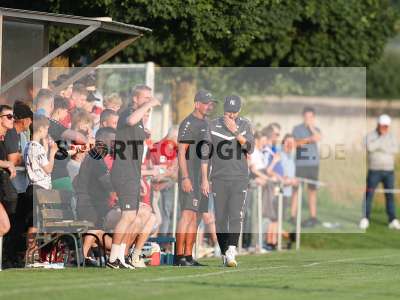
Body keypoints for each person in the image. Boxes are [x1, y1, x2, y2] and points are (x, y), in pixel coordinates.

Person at [107, 84, 160, 269]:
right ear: (135, 99)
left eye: (150, 97)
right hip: (123, 172)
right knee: (128, 216)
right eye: (145, 98)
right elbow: (129, 121)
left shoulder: (139, 119)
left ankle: (120, 257)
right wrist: (148, 105)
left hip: (131, 173)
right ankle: (113, 258)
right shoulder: (127, 113)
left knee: (132, 216)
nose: (149, 101)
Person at [202, 95, 255, 267]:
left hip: (239, 177)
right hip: (218, 177)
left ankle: (232, 250)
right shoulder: (212, 125)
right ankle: (224, 251)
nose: (231, 115)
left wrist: (235, 131)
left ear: (239, 111)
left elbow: (250, 148)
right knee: (220, 218)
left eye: (234, 112)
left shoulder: (245, 124)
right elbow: (205, 155)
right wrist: (204, 179)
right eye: (228, 111)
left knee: (235, 215)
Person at [175, 90, 216, 267]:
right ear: (196, 103)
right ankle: (179, 256)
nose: (209, 106)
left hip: (203, 178)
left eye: (211, 103)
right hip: (190, 174)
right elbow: (181, 153)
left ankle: (189, 256)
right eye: (206, 102)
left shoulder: (207, 123)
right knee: (187, 215)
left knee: (198, 216)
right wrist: (185, 177)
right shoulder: (188, 123)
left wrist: (208, 178)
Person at [74, 127, 117, 266]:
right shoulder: (95, 157)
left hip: (91, 203)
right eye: (112, 141)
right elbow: (107, 182)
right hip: (89, 204)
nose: (114, 144)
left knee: (103, 227)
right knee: (102, 223)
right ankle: (82, 256)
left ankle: (118, 252)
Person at [24, 114, 59, 257]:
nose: (47, 132)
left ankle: (33, 253)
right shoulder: (36, 147)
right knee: (36, 224)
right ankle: (32, 253)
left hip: (33, 187)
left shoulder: (28, 145)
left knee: (35, 223)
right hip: (40, 189)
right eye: (46, 128)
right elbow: (48, 168)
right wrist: (53, 153)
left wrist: (46, 145)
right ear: (41, 128)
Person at [360, 114, 400, 230]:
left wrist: (379, 146)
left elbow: (395, 149)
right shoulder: (371, 136)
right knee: (369, 195)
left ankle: (392, 219)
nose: (385, 129)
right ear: (378, 125)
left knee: (390, 196)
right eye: (383, 126)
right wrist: (381, 140)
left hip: (389, 171)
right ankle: (365, 218)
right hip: (374, 170)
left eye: (386, 127)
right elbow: (369, 147)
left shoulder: (392, 137)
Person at [292, 106, 322, 228]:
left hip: (313, 165)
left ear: (314, 117)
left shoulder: (316, 129)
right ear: (303, 117)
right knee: (296, 190)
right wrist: (308, 139)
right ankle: (293, 216)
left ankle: (313, 216)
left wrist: (311, 128)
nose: (308, 119)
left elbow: (319, 137)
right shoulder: (297, 129)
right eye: (306, 117)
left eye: (310, 117)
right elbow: (295, 143)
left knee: (312, 191)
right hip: (301, 164)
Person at [0, 105, 17, 249]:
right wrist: (6, 163)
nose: (13, 119)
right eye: (9, 116)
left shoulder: (2, 139)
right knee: (4, 226)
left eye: (13, 116)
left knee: (4, 227)